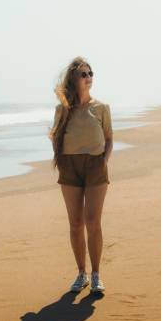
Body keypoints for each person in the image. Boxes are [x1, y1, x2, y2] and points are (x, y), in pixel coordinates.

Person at [48, 56, 112, 293]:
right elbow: (56, 137)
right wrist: (62, 161)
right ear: (73, 79)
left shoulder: (101, 108)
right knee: (75, 223)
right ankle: (81, 274)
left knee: (93, 221)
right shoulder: (62, 110)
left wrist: (103, 162)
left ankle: (96, 274)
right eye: (83, 74)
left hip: (95, 166)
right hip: (70, 167)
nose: (88, 78)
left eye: (90, 73)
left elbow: (109, 139)